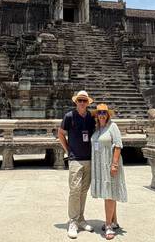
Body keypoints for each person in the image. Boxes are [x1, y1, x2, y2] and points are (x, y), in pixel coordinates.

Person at [58, 90, 96, 239]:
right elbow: (60, 133)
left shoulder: (91, 117)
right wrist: (68, 150)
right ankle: (73, 221)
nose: (81, 103)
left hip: (89, 158)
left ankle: (81, 218)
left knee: (83, 190)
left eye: (84, 101)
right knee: (75, 190)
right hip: (75, 159)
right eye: (79, 100)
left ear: (87, 103)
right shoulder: (69, 116)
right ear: (76, 102)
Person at [90, 103, 127, 240]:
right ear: (96, 115)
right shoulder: (98, 129)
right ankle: (114, 221)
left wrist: (114, 164)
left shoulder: (113, 126)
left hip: (110, 164)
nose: (101, 115)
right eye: (99, 113)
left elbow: (118, 145)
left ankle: (109, 225)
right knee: (110, 193)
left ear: (108, 114)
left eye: (104, 113)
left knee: (109, 194)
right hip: (100, 165)